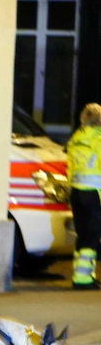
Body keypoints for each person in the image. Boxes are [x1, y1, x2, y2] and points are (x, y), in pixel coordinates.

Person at [66, 102, 101, 290]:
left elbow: (70, 167)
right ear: (98, 120)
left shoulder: (76, 138)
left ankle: (84, 274)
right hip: (93, 194)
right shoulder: (98, 140)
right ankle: (82, 279)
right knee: (92, 235)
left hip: (76, 193)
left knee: (83, 235)